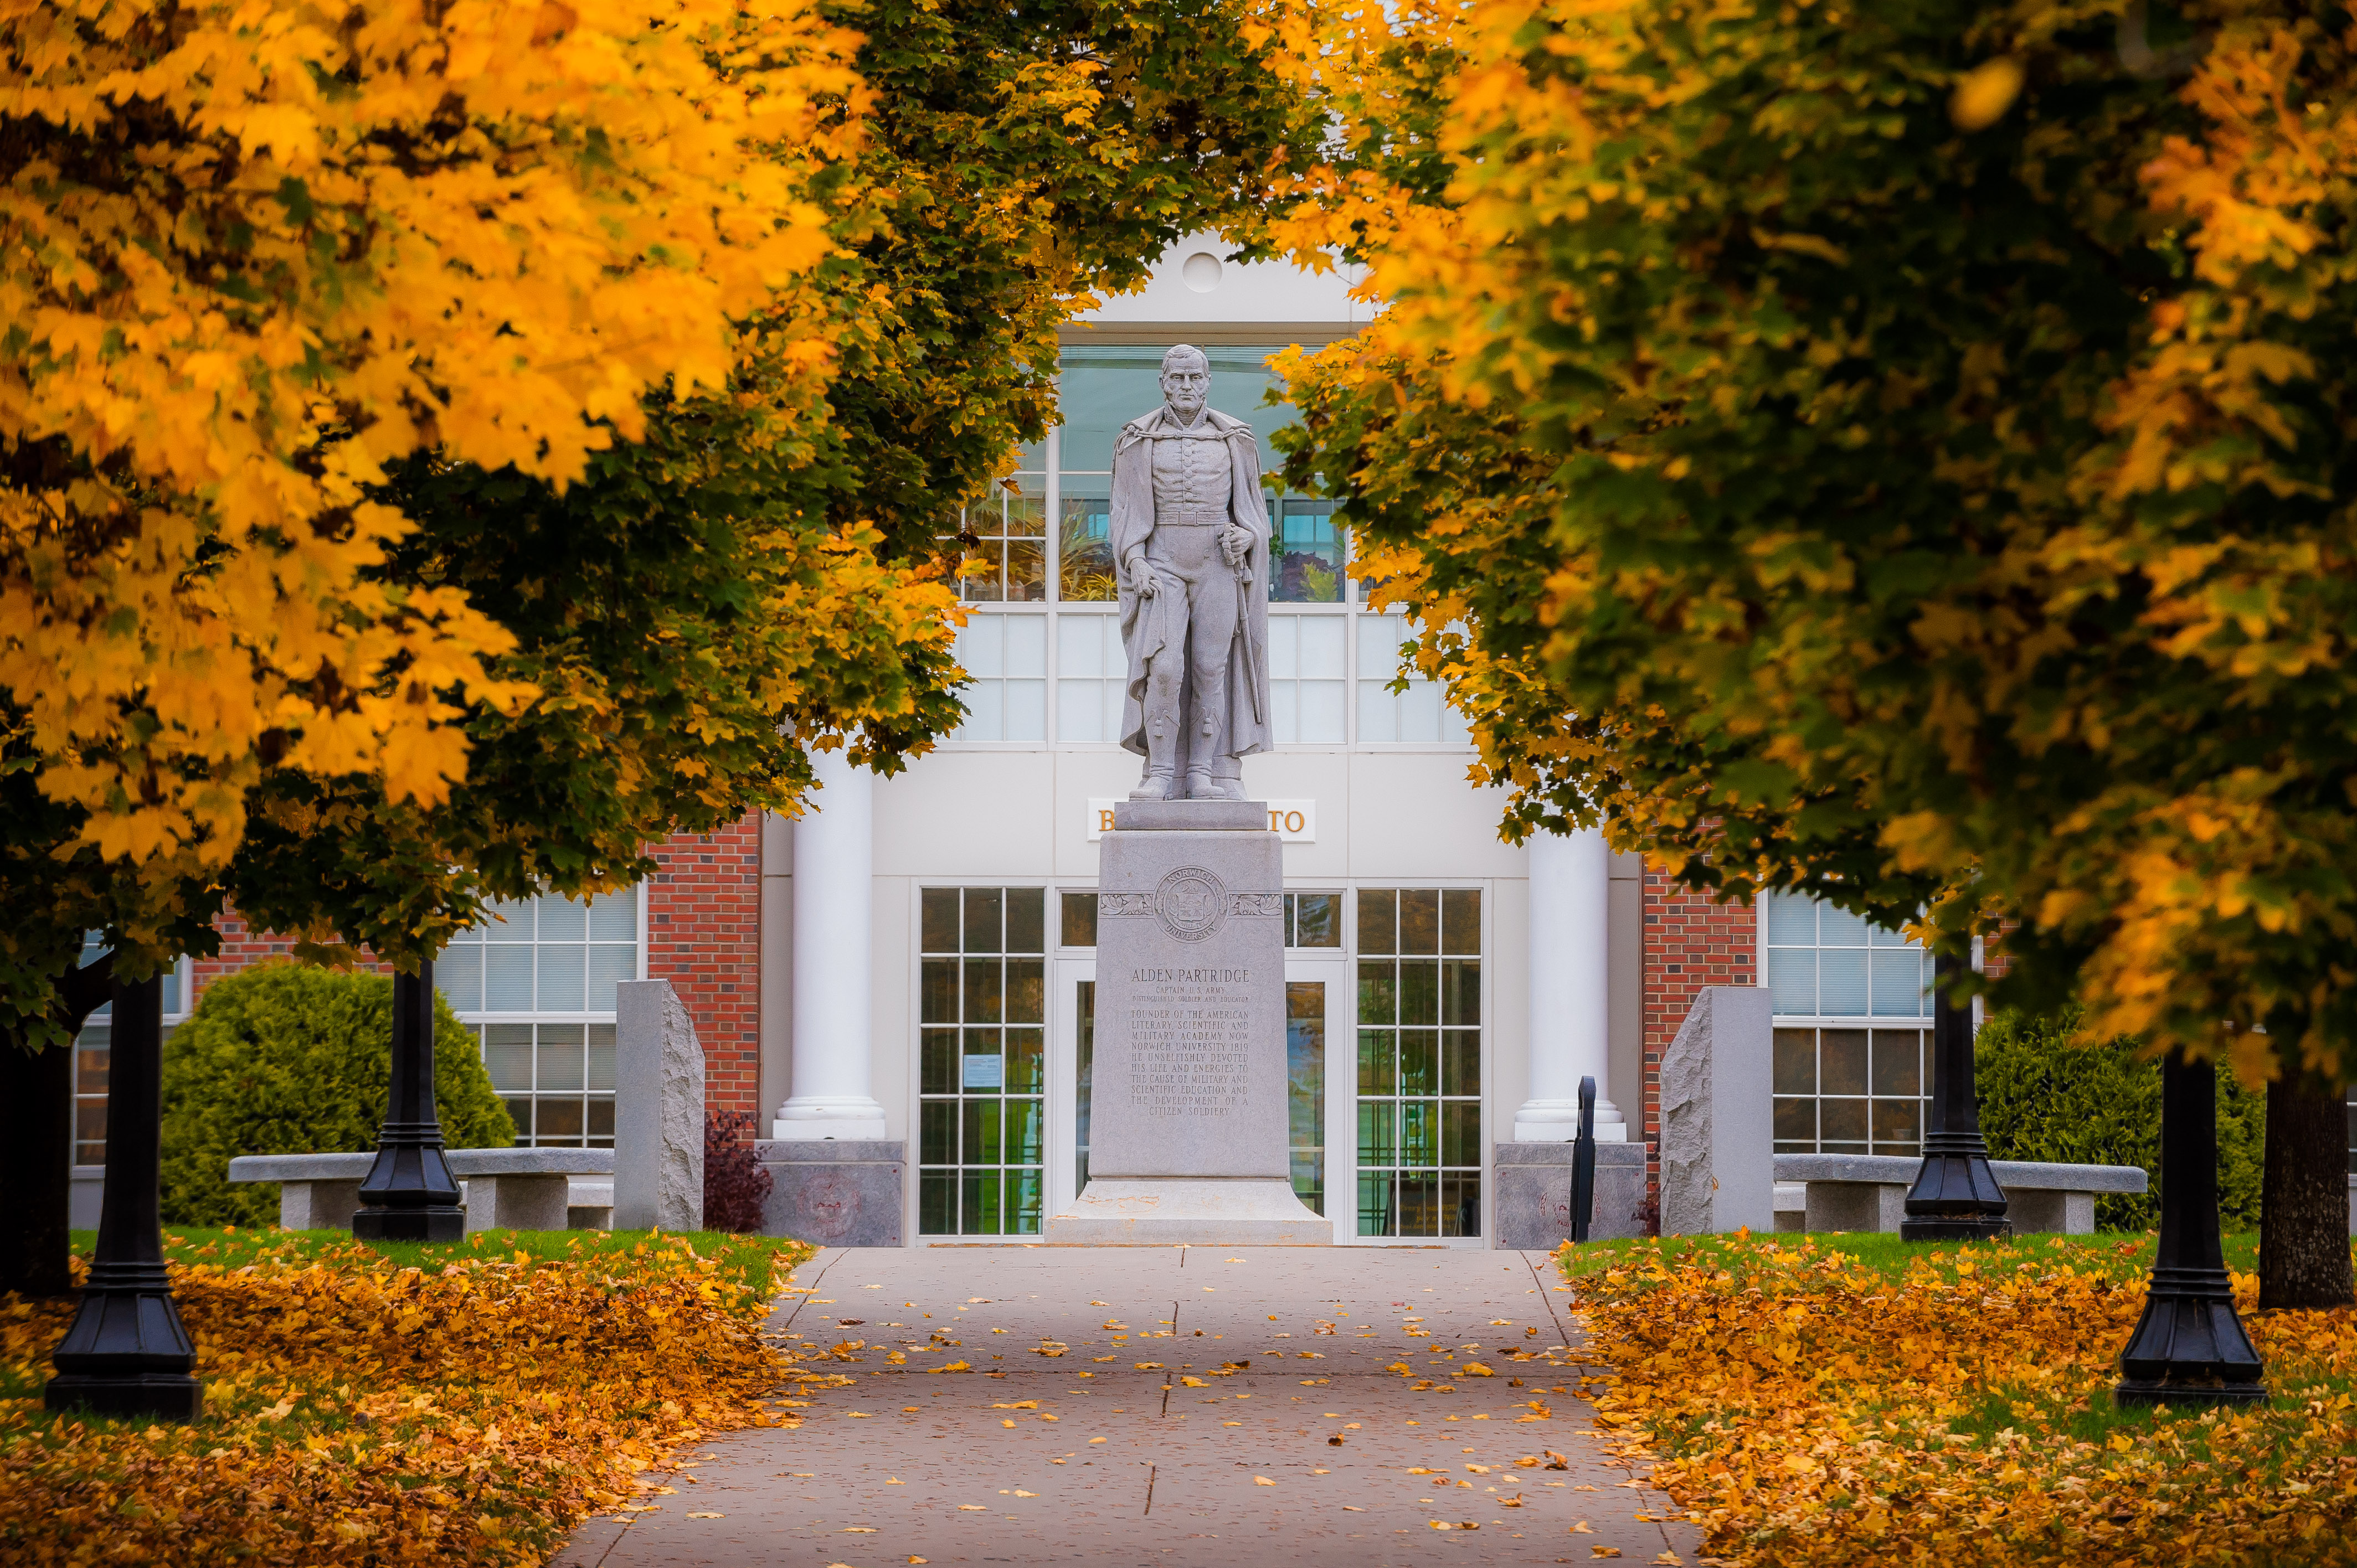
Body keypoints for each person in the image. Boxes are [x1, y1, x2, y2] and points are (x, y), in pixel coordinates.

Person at [1108, 344, 1274, 801]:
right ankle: (1161, 771)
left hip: (1217, 564)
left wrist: (1250, 537)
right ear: (1163, 381)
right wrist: (1136, 559)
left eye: (1195, 377)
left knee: (1210, 668)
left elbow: (1256, 514)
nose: (1186, 386)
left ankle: (1203, 771)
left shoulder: (1235, 439)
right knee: (1164, 668)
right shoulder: (1137, 439)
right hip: (1162, 563)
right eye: (1178, 378)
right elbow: (1123, 512)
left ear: (1207, 382)